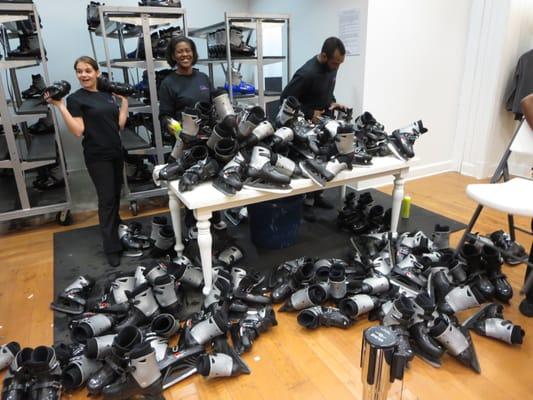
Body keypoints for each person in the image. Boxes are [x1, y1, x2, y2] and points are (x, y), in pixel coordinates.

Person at [46, 56, 128, 267]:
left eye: (88, 71)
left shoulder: (107, 94)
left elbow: (118, 124)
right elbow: (78, 131)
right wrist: (60, 106)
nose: (83, 75)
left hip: (115, 152)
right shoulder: (76, 99)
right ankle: (112, 247)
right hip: (97, 156)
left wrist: (125, 101)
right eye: (79, 71)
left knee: (115, 194)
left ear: (97, 73)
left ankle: (117, 228)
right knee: (107, 199)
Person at [158, 36, 225, 235]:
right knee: (191, 181)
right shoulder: (168, 83)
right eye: (179, 51)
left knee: (212, 176)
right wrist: (179, 130)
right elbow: (164, 116)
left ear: (193, 53)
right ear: (173, 55)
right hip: (186, 142)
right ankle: (192, 224)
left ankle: (216, 218)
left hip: (208, 138)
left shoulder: (202, 78)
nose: (184, 54)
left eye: (188, 50)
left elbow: (215, 103)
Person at [280, 36, 348, 221]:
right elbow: (285, 99)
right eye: (335, 63)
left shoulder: (331, 68)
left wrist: (333, 102)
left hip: (321, 122)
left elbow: (327, 90)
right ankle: (305, 203)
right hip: (302, 124)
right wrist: (310, 113)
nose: (337, 67)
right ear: (324, 56)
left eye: (340, 63)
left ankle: (316, 197)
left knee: (324, 159)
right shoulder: (306, 73)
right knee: (310, 161)